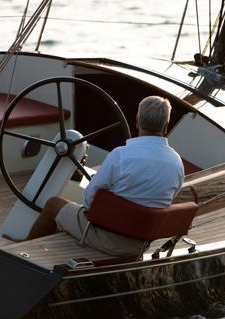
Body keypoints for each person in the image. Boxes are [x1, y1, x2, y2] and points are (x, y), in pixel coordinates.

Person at [25, 96, 184, 256]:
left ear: (137, 122)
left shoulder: (121, 155)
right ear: (165, 126)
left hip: (104, 237)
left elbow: (89, 200)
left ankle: (23, 252)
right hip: (138, 245)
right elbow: (167, 200)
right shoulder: (177, 163)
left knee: (53, 204)